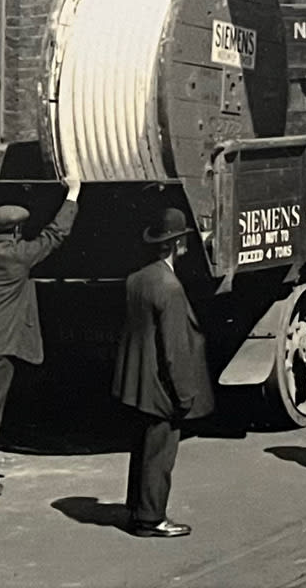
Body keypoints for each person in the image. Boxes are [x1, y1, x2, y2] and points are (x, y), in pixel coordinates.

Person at [0, 166, 82, 501]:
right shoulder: (19, 257)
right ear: (18, 229)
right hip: (0, 346)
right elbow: (55, 235)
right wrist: (73, 193)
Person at [113, 206, 214, 538]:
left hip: (137, 382)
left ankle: (137, 508)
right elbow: (174, 349)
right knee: (160, 453)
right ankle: (152, 518)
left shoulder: (136, 278)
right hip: (160, 385)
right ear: (177, 245)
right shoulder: (170, 287)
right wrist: (185, 394)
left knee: (142, 448)